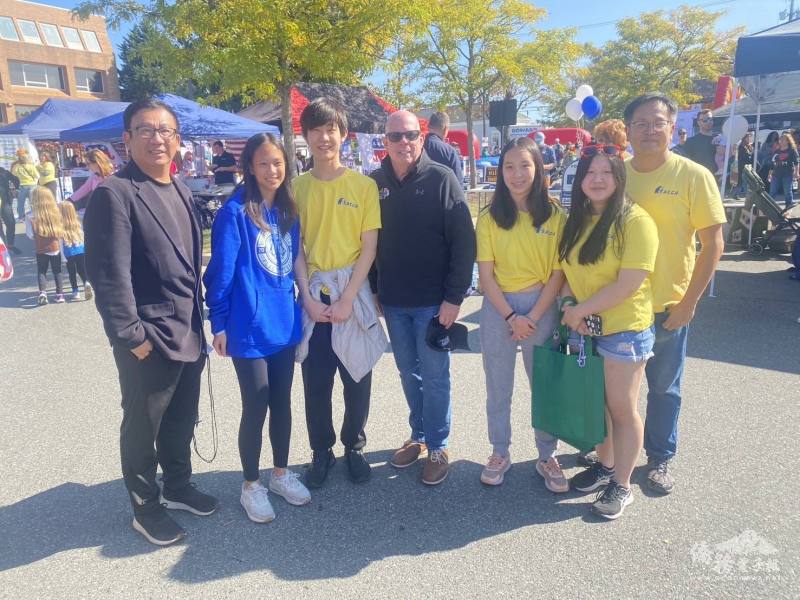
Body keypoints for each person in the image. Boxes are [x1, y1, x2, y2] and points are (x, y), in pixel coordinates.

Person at [84, 98, 218, 546]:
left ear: (178, 140)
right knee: (144, 424)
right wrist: (130, 336)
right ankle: (145, 506)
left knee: (182, 418)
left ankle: (178, 486)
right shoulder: (115, 193)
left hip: (189, 330)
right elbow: (108, 275)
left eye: (166, 131)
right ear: (126, 139)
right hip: (148, 337)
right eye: (146, 129)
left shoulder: (179, 188)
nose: (157, 138)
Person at [204, 133, 311, 523]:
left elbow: (294, 259)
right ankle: (251, 485)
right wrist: (218, 321)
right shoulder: (234, 213)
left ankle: (280, 473)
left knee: (282, 402)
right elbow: (221, 272)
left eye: (278, 162)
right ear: (249, 166)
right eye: (264, 163)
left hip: (285, 321)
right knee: (256, 404)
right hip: (247, 326)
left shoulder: (287, 209)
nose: (272, 170)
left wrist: (306, 301)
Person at [624, 93, 726, 495]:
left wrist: (689, 303)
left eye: (658, 122)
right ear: (629, 129)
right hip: (620, 308)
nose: (650, 130)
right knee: (614, 389)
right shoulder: (616, 174)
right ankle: (610, 453)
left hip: (668, 307)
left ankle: (660, 457)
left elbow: (713, 244)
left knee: (664, 389)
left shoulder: (693, 175)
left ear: (673, 127)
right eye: (641, 124)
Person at [370, 110, 476, 485]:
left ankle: (437, 445)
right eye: (395, 136)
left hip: (434, 302)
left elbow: (465, 243)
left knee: (435, 376)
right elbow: (367, 242)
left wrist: (454, 298)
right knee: (406, 372)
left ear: (422, 138)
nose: (403, 142)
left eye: (410, 135)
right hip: (394, 300)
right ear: (384, 141)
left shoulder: (442, 179)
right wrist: (373, 288)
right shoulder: (375, 182)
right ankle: (417, 435)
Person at [555, 144, 659, 520]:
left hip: (623, 330)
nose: (597, 179)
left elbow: (628, 284)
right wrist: (570, 307)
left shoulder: (636, 221)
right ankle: (607, 464)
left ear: (619, 177)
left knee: (621, 408)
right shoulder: (578, 220)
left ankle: (623, 484)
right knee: (598, 406)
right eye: (589, 172)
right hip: (587, 328)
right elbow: (567, 274)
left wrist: (581, 310)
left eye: (606, 172)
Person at [292, 98, 383, 488]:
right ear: (306, 136)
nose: (324, 137)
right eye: (316, 130)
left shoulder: (363, 186)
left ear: (344, 135)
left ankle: (354, 446)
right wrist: (308, 299)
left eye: (332, 129)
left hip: (353, 293)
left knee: (357, 375)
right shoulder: (296, 187)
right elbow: (294, 247)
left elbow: (370, 246)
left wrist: (348, 297)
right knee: (316, 380)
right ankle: (321, 450)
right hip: (313, 292)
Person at [475, 137, 568, 491]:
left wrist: (532, 315)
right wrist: (512, 317)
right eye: (509, 167)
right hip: (499, 308)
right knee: (498, 386)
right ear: (500, 172)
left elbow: (559, 273)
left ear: (540, 168)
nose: (517, 174)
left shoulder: (556, 216)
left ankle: (547, 454)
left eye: (525, 166)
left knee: (543, 386)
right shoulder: (489, 218)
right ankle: (500, 451)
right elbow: (485, 276)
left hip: (542, 304)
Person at [26, 186, 65, 305]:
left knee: (41, 271)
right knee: (57, 271)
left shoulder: (31, 215)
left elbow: (30, 234)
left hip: (40, 248)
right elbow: (61, 231)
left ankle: (43, 293)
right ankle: (59, 295)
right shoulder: (56, 213)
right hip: (55, 247)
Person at [59, 201, 92, 301]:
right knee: (82, 269)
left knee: (72, 273)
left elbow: (60, 242)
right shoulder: (77, 223)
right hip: (81, 250)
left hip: (68, 252)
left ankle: (75, 291)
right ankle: (86, 282)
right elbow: (84, 237)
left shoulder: (60, 226)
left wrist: (62, 256)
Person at [423, 111, 464, 184]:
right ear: (445, 129)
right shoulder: (450, 151)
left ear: (429, 127)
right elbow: (458, 183)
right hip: (443, 194)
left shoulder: (416, 147)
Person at [683, 109, 718, 175]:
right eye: (705, 120)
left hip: (718, 179)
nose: (708, 122)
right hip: (698, 179)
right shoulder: (690, 142)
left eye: (710, 119)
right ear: (699, 122)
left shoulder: (720, 139)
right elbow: (686, 165)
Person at [769, 133, 799, 209]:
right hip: (776, 174)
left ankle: (788, 207)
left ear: (788, 141)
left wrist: (796, 172)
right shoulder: (776, 151)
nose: (781, 141)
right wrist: (770, 174)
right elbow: (773, 163)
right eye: (780, 139)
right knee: (772, 192)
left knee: (787, 192)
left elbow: (796, 162)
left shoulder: (792, 151)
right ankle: (769, 207)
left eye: (783, 139)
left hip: (787, 174)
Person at [11, 149, 39, 222]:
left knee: (21, 203)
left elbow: (13, 176)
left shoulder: (16, 167)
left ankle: (21, 217)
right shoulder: (31, 166)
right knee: (32, 203)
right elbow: (37, 176)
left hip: (22, 186)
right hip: (31, 185)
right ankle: (35, 216)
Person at [0, 165, 20, 254]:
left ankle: (9, 245)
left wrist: (16, 189)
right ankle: (3, 247)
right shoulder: (4, 172)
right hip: (5, 202)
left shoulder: (4, 172)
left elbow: (16, 180)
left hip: (5, 202)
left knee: (11, 223)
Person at [735, 133, 754, 198]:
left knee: (743, 181)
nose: (749, 139)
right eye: (747, 137)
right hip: (742, 166)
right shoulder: (741, 146)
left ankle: (737, 194)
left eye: (749, 137)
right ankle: (744, 194)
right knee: (743, 181)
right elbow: (741, 157)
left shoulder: (749, 146)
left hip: (747, 166)